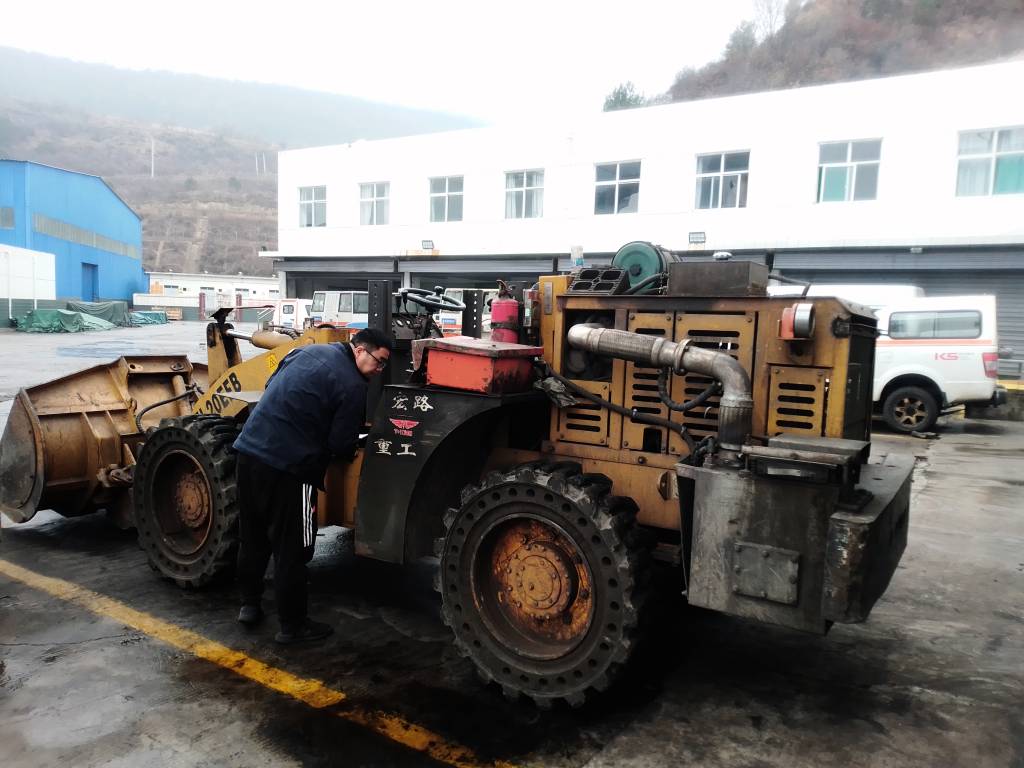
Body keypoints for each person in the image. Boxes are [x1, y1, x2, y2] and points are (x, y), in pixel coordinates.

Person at [233, 327, 392, 643]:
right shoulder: (352, 385)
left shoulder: (306, 351)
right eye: (380, 361)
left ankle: (249, 605)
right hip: (290, 469)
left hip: (248, 453)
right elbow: (340, 443)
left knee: (252, 537)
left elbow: (271, 385)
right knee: (292, 549)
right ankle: (293, 626)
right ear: (360, 350)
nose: (380, 370)